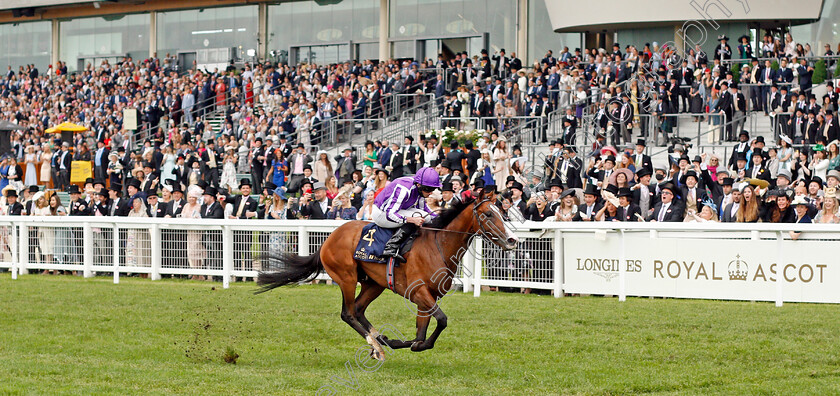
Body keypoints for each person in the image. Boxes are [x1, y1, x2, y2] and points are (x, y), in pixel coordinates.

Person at [373, 167, 441, 263]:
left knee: (426, 216)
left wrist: (440, 217)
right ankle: (391, 246)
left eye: (433, 189)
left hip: (397, 210)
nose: (431, 192)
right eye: (428, 189)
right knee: (418, 216)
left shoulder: (419, 190)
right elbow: (390, 214)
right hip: (381, 214)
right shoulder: (404, 189)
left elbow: (424, 209)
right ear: (419, 185)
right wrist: (412, 220)